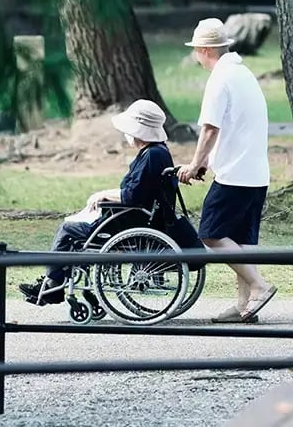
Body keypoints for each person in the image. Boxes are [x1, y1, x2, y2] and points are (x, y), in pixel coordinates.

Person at [20, 99, 177, 306]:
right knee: (76, 225)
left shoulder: (151, 156)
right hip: (141, 217)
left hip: (130, 221)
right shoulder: (159, 152)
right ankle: (57, 280)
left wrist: (103, 195)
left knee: (67, 230)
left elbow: (132, 196)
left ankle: (52, 284)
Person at [178, 18, 277, 323]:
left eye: (196, 49)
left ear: (205, 50)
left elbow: (210, 129)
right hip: (256, 172)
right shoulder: (243, 74)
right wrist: (208, 161)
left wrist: (195, 164)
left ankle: (260, 287)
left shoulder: (220, 79)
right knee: (241, 239)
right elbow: (235, 128)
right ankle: (245, 305)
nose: (196, 55)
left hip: (235, 175)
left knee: (211, 233)